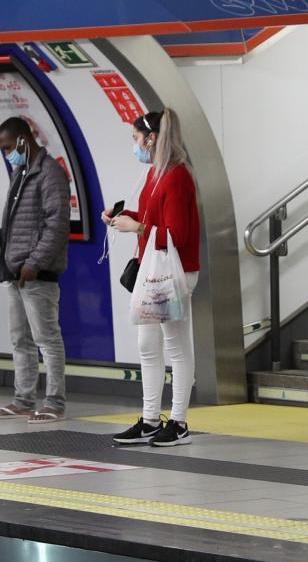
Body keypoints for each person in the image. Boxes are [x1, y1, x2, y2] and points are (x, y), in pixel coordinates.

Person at [106, 109, 200, 448]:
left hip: (173, 272)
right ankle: (149, 419)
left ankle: (179, 421)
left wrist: (140, 227)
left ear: (152, 139)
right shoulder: (155, 174)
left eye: (136, 139)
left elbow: (180, 234)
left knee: (176, 345)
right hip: (153, 270)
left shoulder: (177, 176)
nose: (135, 146)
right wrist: (124, 217)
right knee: (147, 345)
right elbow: (150, 217)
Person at [0, 117, 70, 424]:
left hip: (36, 273)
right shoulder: (20, 172)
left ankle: (54, 401)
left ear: (21, 140)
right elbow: (23, 226)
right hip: (16, 271)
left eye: (7, 147)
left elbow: (57, 226)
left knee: (47, 339)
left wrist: (35, 263)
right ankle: (23, 400)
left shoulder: (50, 174)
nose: (7, 154)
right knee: (21, 339)